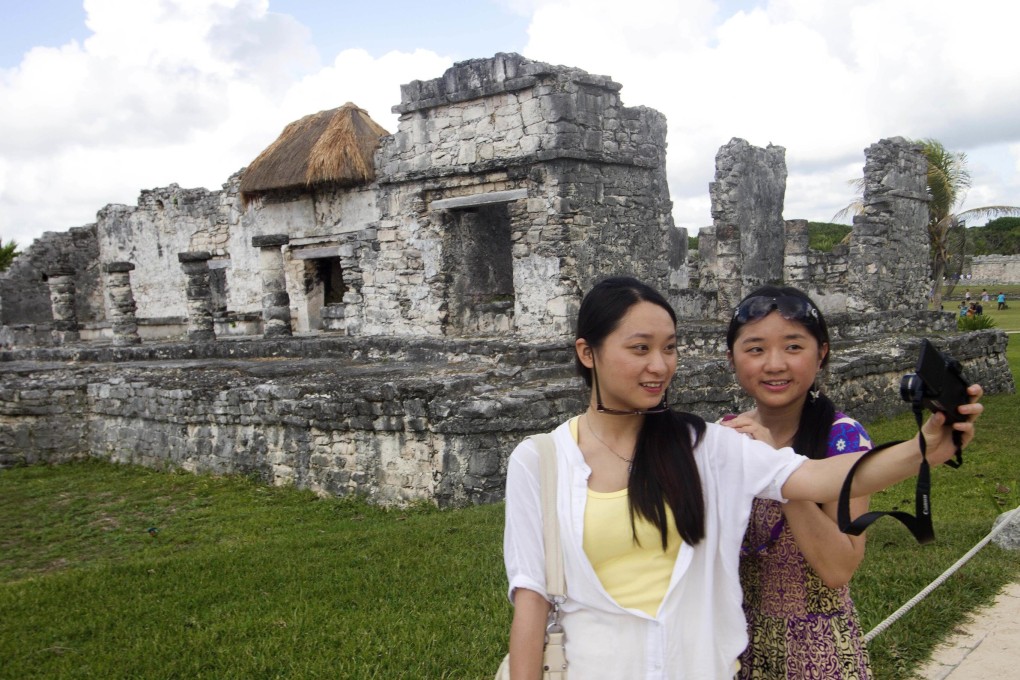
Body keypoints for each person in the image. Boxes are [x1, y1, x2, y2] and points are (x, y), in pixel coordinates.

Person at [502, 276, 983, 679]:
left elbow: (817, 478)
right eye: (640, 348)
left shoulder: (703, 444)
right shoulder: (539, 460)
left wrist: (923, 449)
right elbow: (531, 598)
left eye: (669, 348)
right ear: (588, 353)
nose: (659, 365)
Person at [722, 286, 872, 678]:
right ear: (731, 358)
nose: (774, 364)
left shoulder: (843, 440)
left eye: (793, 347)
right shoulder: (724, 438)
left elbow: (839, 567)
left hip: (816, 650)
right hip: (731, 646)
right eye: (755, 349)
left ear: (821, 353)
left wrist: (777, 469)